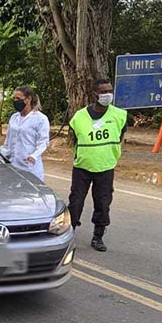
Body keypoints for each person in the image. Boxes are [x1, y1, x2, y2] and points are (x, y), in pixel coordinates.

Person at [67, 78, 128, 252]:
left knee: (103, 203)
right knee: (76, 201)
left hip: (106, 166)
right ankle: (70, 233)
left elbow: (120, 136)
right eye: (103, 92)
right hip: (82, 167)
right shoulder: (79, 117)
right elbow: (75, 139)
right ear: (94, 94)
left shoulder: (119, 115)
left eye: (109, 91)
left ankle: (98, 236)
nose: (107, 95)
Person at [3, 86, 50, 181]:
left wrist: (34, 155)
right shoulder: (14, 117)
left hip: (29, 166)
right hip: (13, 165)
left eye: (18, 99)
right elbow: (8, 141)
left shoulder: (40, 119)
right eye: (14, 98)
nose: (16, 101)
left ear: (28, 99)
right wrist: (1, 151)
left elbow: (43, 142)